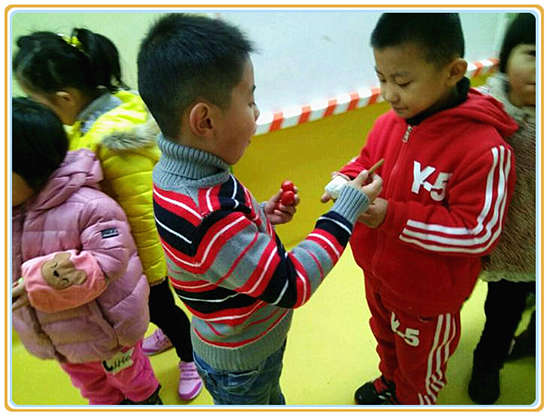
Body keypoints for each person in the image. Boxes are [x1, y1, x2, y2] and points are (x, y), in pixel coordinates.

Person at [136, 13, 382, 405]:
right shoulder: (208, 214)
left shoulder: (180, 174)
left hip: (241, 343)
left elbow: (217, 249)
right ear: (205, 120)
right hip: (243, 360)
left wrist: (261, 216)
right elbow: (291, 283)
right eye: (250, 100)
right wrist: (345, 212)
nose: (257, 112)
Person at [321, 13, 517, 405]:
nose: (388, 94)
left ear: (453, 72)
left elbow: (477, 232)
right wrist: (346, 178)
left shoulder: (485, 149)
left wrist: (389, 215)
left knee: (420, 365)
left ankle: (413, 400)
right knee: (385, 338)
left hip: (429, 296)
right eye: (381, 78)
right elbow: (367, 162)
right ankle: (390, 382)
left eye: (402, 81)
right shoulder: (389, 124)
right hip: (379, 275)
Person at [12, 28, 202, 400]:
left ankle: (190, 353)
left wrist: (152, 270)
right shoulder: (90, 121)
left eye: (37, 101)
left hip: (143, 251)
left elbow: (142, 208)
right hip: (120, 246)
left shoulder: (113, 139)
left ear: (65, 98)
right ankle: (170, 333)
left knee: (162, 307)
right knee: (152, 309)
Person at [11, 97, 161, 405]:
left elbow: (110, 260)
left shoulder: (89, 205)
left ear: (31, 167)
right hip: (59, 339)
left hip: (108, 332)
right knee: (93, 389)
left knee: (133, 381)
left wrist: (40, 281)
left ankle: (148, 402)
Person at [468, 13, 537, 405]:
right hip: (508, 244)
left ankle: (532, 340)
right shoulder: (484, 107)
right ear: (506, 57)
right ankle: (487, 365)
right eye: (532, 53)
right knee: (502, 314)